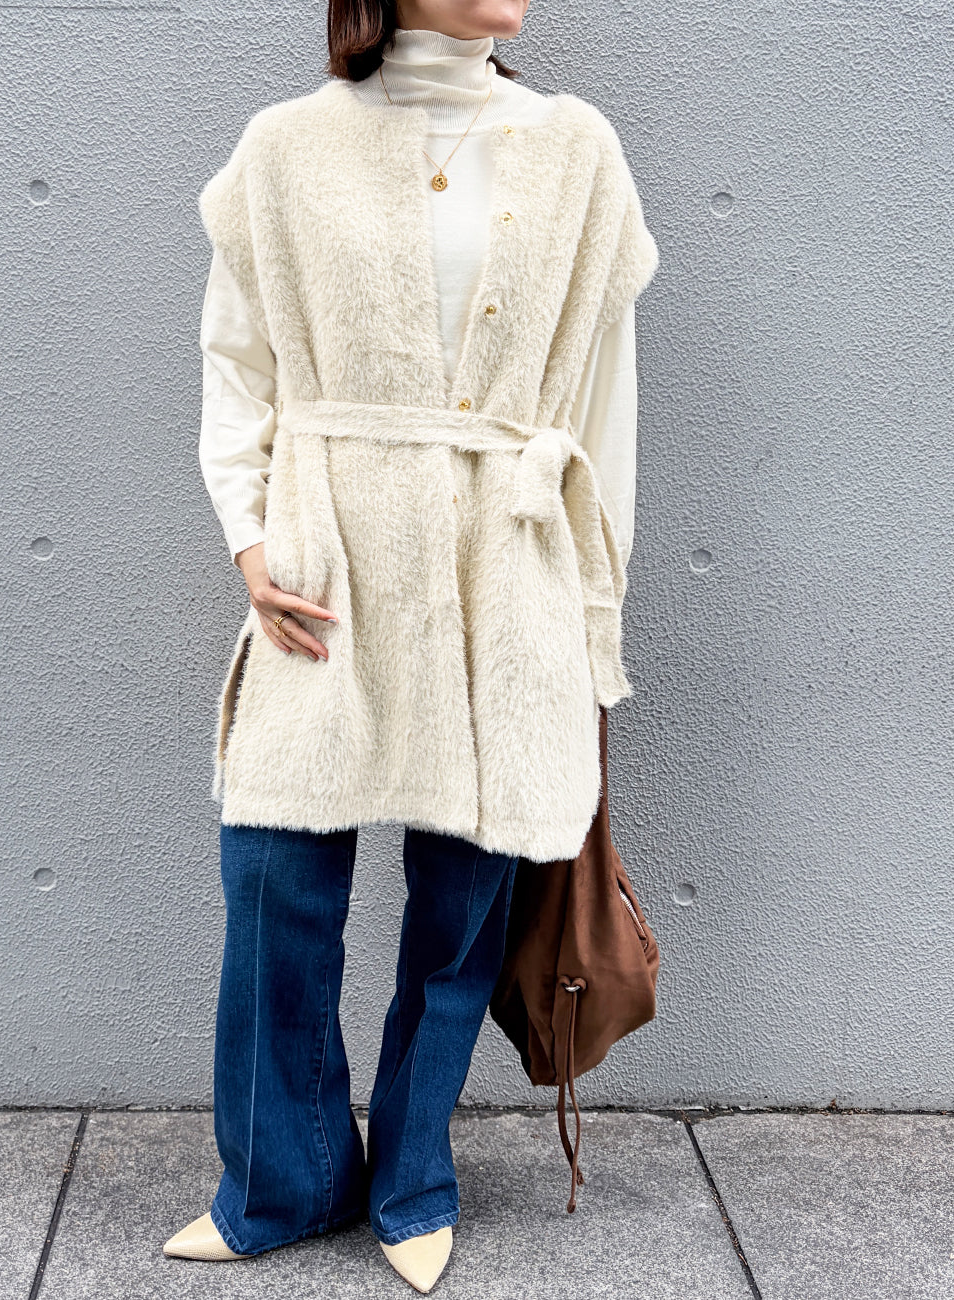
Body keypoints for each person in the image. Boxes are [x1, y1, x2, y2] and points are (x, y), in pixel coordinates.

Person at [164, 0, 659, 1291]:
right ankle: (283, 1178)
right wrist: (250, 539)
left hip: (508, 569)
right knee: (274, 878)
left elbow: (603, 409)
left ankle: (413, 1177)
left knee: (462, 904)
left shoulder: (578, 151)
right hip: (323, 564)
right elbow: (237, 362)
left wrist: (591, 620)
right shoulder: (284, 149)